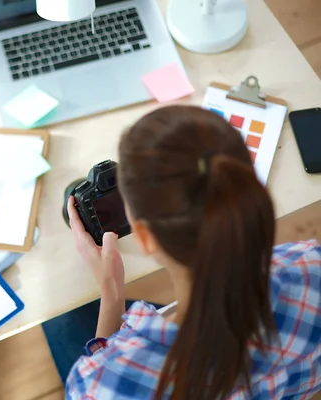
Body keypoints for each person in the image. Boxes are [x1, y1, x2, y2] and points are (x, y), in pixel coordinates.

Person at [62, 106, 321, 399]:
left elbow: (101, 371)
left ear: (145, 239)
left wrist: (110, 292)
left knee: (65, 322)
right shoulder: (310, 264)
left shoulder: (99, 385)